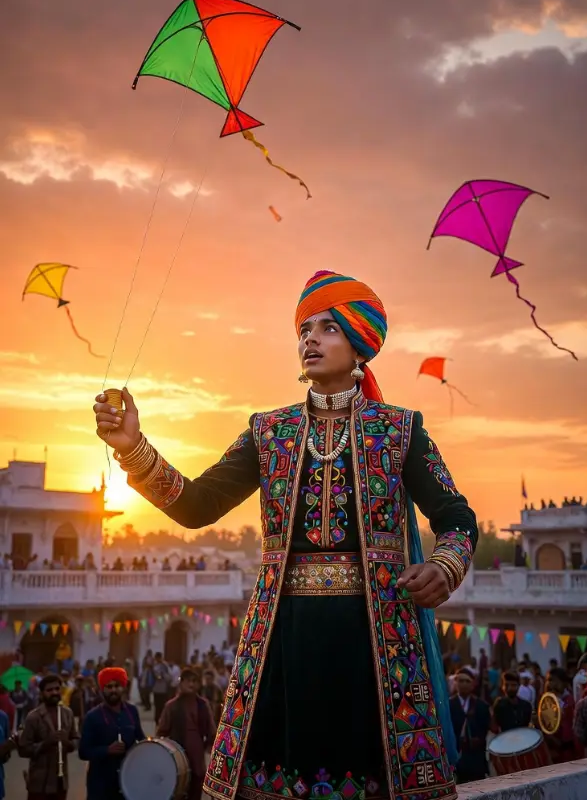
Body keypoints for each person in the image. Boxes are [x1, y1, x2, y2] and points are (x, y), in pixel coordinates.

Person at [93, 269, 477, 800]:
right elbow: (197, 504)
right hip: (281, 638)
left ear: (360, 344)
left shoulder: (400, 429)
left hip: (377, 642)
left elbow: (455, 515)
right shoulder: (269, 431)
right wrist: (134, 449)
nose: (310, 340)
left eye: (328, 328)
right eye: (304, 330)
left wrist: (444, 565)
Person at [78, 667, 146, 800]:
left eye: (117, 686)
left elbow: (141, 739)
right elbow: (83, 752)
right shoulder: (92, 717)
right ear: (102, 689)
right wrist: (107, 750)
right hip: (100, 785)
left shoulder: (132, 711)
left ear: (123, 688)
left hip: (127, 782)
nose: (113, 690)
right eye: (109, 686)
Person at [155, 667, 214, 800]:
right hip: (177, 758)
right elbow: (161, 733)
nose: (191, 684)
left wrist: (207, 746)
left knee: (195, 790)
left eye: (194, 681)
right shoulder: (171, 706)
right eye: (188, 681)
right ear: (181, 683)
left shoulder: (203, 705)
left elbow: (212, 731)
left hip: (197, 758)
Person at [17, 673, 77, 800]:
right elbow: (23, 750)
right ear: (42, 693)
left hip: (61, 782)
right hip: (39, 784)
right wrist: (46, 743)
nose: (54, 692)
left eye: (57, 689)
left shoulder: (68, 714)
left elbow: (76, 742)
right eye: (49, 690)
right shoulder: (33, 717)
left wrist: (66, 742)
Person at [448, 669, 490, 782]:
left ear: (473, 684)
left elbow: (485, 729)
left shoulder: (481, 705)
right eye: (461, 681)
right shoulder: (449, 705)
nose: (464, 684)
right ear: (455, 683)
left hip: (476, 760)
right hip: (457, 759)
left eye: (467, 681)